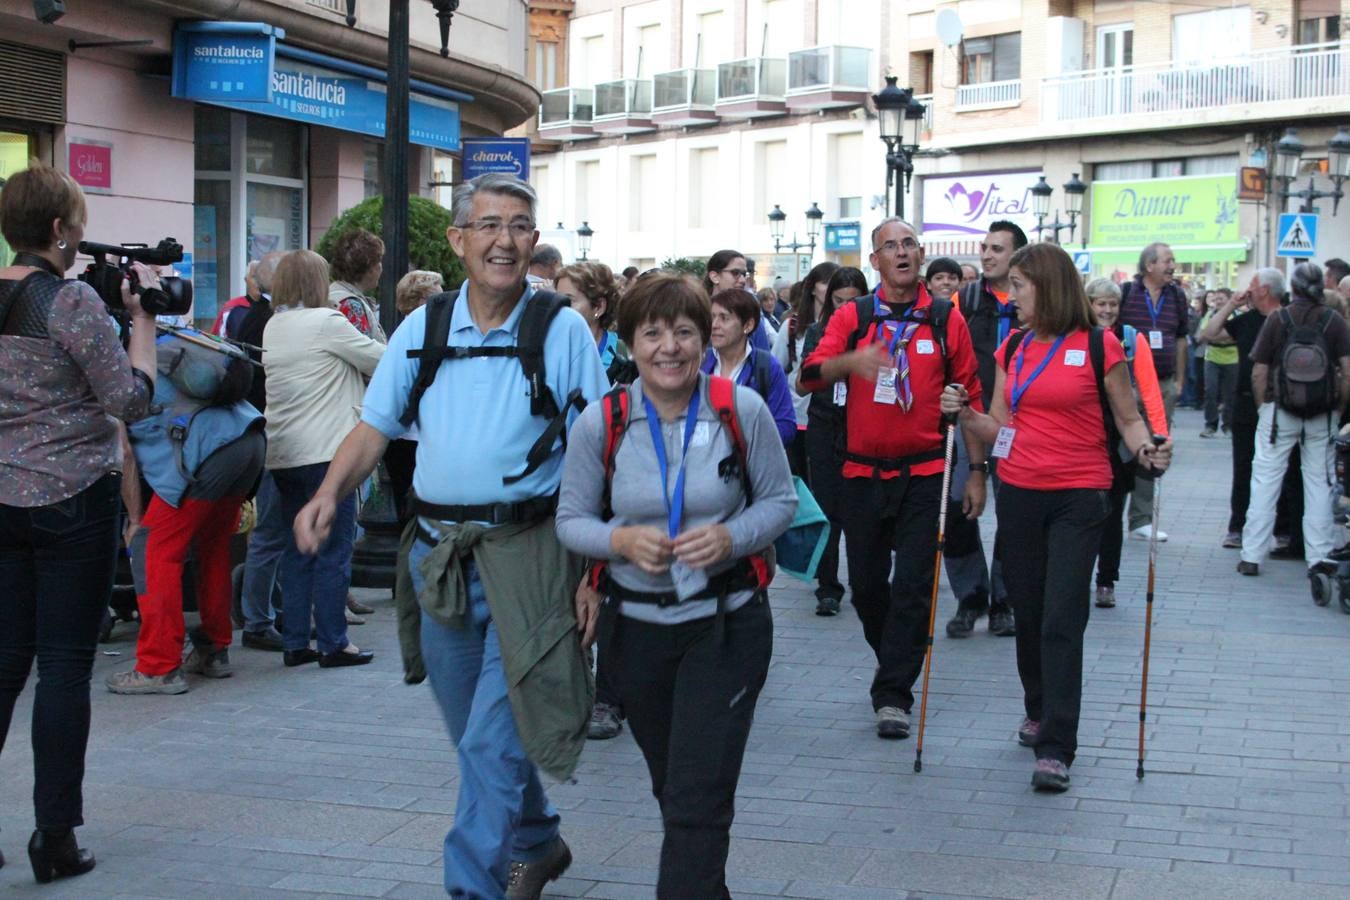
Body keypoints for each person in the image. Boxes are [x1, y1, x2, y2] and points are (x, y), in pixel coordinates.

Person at [292, 173, 605, 897]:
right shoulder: (423, 327)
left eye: (520, 226)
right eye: (490, 225)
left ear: (533, 240)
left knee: (493, 740)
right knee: (477, 732)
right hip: (439, 555)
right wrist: (328, 494)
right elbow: (374, 427)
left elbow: (598, 450)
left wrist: (594, 572)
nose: (505, 240)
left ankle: (472, 887)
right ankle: (536, 837)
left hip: (530, 556)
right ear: (459, 241)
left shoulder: (559, 330)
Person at [556, 272, 795, 898]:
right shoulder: (601, 421)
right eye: (653, 333)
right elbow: (570, 519)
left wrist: (731, 537)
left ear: (705, 339)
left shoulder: (737, 409)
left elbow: (779, 501)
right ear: (630, 342)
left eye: (685, 331)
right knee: (677, 788)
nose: (670, 347)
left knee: (696, 796)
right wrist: (619, 541)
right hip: (634, 632)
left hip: (726, 626)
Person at [940, 242, 1173, 792]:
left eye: (1020, 284)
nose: (1012, 294)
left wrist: (1148, 451)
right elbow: (998, 428)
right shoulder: (1013, 347)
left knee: (1063, 616)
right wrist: (966, 413)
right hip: (1020, 490)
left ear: (1048, 286)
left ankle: (1056, 745)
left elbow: (1129, 419)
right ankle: (1039, 708)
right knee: (1028, 608)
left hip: (1081, 494)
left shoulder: (1100, 345)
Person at [1, 162, 158, 882]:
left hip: (2, 500)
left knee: (5, 664)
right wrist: (144, 330)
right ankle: (54, 836)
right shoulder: (68, 305)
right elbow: (127, 399)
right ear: (61, 230)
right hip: (72, 502)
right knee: (64, 666)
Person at [799, 217, 985, 740]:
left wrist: (978, 475)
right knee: (866, 588)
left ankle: (894, 694)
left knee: (914, 585)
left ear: (920, 254)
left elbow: (968, 396)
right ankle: (895, 660)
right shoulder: (855, 317)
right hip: (860, 472)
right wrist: (849, 362)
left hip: (926, 471)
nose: (901, 253)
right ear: (875, 260)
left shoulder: (946, 320)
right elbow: (808, 375)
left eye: (909, 245)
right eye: (890, 247)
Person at [106, 337, 266, 693]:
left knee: (152, 550)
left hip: (206, 452)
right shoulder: (158, 344)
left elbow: (125, 456)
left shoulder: (111, 373)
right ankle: (213, 650)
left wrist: (134, 521)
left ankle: (158, 666)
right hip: (247, 438)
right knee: (212, 548)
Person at [263, 250, 384, 668]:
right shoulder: (326, 322)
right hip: (328, 454)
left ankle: (295, 640)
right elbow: (379, 359)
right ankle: (335, 642)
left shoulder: (274, 326)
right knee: (334, 549)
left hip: (284, 454)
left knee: (298, 550)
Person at [1238, 262, 1350, 581]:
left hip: (1279, 411)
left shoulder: (1278, 318)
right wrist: (1338, 409)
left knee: (1265, 480)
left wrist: (1264, 407)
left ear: (1294, 287)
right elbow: (1348, 370)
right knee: (1319, 482)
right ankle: (1319, 556)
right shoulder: (1335, 321)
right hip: (1322, 413)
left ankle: (1251, 555)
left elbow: (1259, 370)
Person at [947, 222, 1026, 638]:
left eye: (997, 248)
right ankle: (970, 596)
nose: (987, 254)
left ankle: (1005, 599)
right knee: (958, 507)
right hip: (969, 420)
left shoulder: (1034, 301)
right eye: (985, 247)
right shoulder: (967, 299)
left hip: (1020, 424)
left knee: (1014, 513)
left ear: (1017, 256)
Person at [1203, 270, 1302, 551]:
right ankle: (1238, 527)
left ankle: (1284, 529)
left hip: (1282, 402)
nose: (1248, 289)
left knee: (1285, 467)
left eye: (1253, 285)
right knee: (1244, 465)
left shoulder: (1288, 319)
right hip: (1245, 402)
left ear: (1265, 290)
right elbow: (1209, 334)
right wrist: (1232, 304)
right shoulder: (1247, 320)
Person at [798, 265, 869, 616]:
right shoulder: (818, 332)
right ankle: (827, 586)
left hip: (863, 425)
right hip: (825, 424)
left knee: (861, 506)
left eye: (851, 302)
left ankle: (866, 578)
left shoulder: (874, 331)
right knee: (825, 507)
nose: (844, 308)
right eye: (838, 301)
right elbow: (806, 378)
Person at [1085, 277, 1160, 609]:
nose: (1107, 309)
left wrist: (1156, 436)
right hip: (1085, 436)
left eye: (1112, 304)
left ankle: (1106, 580)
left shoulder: (1131, 339)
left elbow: (1149, 389)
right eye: (1100, 303)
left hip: (1119, 440)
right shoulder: (1078, 337)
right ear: (1087, 304)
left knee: (1112, 513)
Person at [1119, 242, 1187, 542]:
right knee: (1122, 448)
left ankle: (1141, 519)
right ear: (1149, 265)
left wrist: (1180, 381)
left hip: (1163, 383)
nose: (1172, 265)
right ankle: (1111, 509)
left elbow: (1182, 339)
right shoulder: (1126, 294)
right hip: (1128, 383)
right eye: (1167, 260)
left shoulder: (1177, 295)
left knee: (1155, 447)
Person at [702, 287, 797, 445]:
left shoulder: (767, 367)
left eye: (724, 318)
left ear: (748, 325)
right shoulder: (699, 363)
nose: (714, 325)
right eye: (712, 317)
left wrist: (745, 439)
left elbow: (786, 426)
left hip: (750, 464)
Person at [772, 261, 839, 471]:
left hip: (834, 418)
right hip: (798, 415)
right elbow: (776, 368)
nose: (830, 289)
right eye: (826, 283)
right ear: (812, 288)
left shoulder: (845, 323)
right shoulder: (792, 325)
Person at [555, 260, 628, 379]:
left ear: (598, 307)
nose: (557, 307)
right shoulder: (548, 350)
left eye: (568, 301)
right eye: (556, 299)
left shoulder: (622, 353)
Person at [703, 248, 772, 350]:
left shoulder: (750, 315)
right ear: (714, 277)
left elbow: (764, 359)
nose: (743, 280)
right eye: (735, 273)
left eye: (744, 274)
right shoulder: (696, 313)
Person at [328, 227, 387, 343]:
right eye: (379, 260)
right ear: (369, 266)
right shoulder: (351, 305)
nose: (381, 267)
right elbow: (366, 355)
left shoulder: (332, 294)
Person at [1199, 288, 1238, 438]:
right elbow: (1204, 335)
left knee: (1230, 394)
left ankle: (1228, 425)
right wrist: (1224, 336)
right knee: (1210, 392)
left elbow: (1237, 336)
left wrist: (1216, 335)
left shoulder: (1237, 315)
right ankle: (1210, 425)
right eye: (1216, 299)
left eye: (1221, 298)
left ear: (1229, 299)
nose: (1218, 302)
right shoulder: (1210, 314)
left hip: (1233, 358)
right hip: (1212, 358)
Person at [211, 259, 259, 337]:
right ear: (246, 280)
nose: (258, 281)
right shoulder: (232, 307)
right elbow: (215, 339)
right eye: (254, 277)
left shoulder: (276, 308)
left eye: (261, 277)